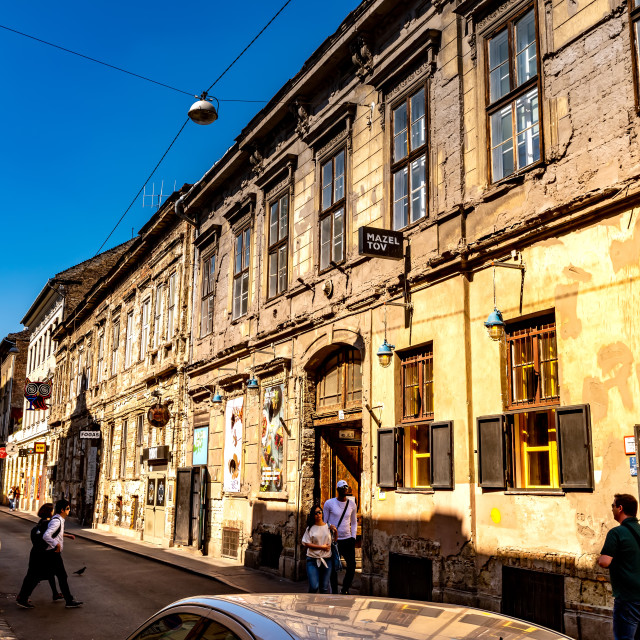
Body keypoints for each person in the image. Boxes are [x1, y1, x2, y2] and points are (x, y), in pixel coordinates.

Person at [17, 499, 82, 609]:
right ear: (62, 510)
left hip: (49, 553)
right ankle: (23, 598)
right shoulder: (56, 520)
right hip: (51, 554)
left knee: (46, 576)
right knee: (40, 576)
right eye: (68, 508)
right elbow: (47, 536)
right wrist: (56, 544)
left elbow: (56, 533)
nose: (69, 510)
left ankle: (67, 599)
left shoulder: (56, 520)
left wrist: (66, 536)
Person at [598, 493, 640, 639]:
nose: (612, 509)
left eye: (613, 506)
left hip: (628, 599)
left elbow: (604, 561)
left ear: (620, 508)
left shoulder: (616, 533)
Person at [16, 504, 63, 606]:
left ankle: (54, 593)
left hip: (36, 552)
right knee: (34, 577)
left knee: (42, 574)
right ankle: (23, 598)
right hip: (42, 554)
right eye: (53, 510)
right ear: (50, 512)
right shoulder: (48, 523)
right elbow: (50, 535)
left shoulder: (41, 523)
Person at [324, 479, 357, 594]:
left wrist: (353, 537)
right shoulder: (329, 503)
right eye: (342, 488)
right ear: (337, 490)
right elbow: (324, 521)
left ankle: (345, 589)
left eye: (346, 488)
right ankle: (334, 590)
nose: (344, 490)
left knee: (352, 565)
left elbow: (354, 522)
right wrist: (329, 527)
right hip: (334, 541)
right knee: (333, 567)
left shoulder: (352, 504)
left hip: (348, 539)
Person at [301, 504, 332, 594]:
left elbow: (334, 541)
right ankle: (309, 602)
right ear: (313, 516)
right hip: (312, 560)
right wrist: (321, 547)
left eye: (319, 512)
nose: (318, 515)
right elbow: (306, 543)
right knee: (314, 586)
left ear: (322, 513)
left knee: (324, 588)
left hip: (327, 560)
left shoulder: (328, 527)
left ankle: (322, 608)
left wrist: (336, 532)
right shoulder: (310, 528)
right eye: (315, 513)